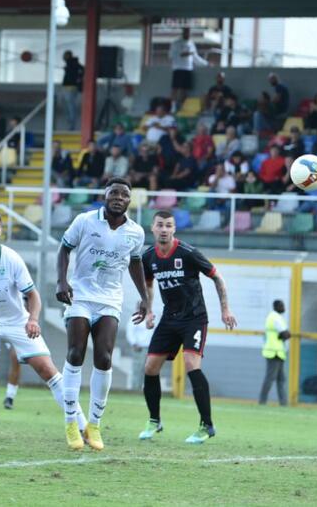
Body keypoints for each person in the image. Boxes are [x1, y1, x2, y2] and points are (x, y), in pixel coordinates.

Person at [0, 211, 86, 439]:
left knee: (47, 370)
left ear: (1, 231)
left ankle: (81, 424)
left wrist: (32, 319)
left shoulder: (11, 258)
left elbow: (33, 295)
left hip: (17, 321)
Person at [56, 178, 149, 451]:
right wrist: (62, 281)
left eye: (124, 194)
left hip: (110, 300)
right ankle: (71, 422)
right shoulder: (84, 221)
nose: (118, 197)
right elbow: (64, 249)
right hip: (81, 296)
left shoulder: (136, 232)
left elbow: (135, 263)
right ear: (105, 196)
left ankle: (93, 424)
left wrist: (145, 298)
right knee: (75, 353)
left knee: (105, 357)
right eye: (114, 193)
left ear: (129, 201)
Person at [139, 211, 237, 444]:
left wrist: (225, 310)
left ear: (174, 229)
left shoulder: (189, 253)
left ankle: (207, 425)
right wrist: (149, 310)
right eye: (160, 225)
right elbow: (149, 285)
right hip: (168, 318)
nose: (164, 229)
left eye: (169, 225)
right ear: (152, 228)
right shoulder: (148, 257)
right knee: (150, 368)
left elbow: (217, 277)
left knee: (191, 364)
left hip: (194, 318)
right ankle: (154, 420)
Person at [168, 27, 208, 112]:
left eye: (189, 32)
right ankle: (172, 106)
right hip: (178, 68)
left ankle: (181, 105)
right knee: (175, 88)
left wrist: (206, 63)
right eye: (186, 32)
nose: (188, 34)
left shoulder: (191, 43)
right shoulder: (176, 43)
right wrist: (184, 54)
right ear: (183, 33)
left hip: (188, 68)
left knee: (184, 89)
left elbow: (195, 57)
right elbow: (172, 56)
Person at [258, 300, 290, 406]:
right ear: (276, 307)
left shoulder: (274, 317)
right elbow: (285, 334)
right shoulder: (275, 317)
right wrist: (286, 334)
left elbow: (284, 334)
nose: (284, 308)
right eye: (282, 306)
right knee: (270, 378)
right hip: (273, 352)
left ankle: (284, 403)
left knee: (281, 379)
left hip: (278, 352)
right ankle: (262, 401)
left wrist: (285, 335)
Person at [62, 50, 84, 131]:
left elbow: (82, 70)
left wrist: (78, 79)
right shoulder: (70, 64)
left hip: (71, 87)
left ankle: (72, 124)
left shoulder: (73, 63)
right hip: (67, 86)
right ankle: (70, 123)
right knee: (68, 106)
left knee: (71, 106)